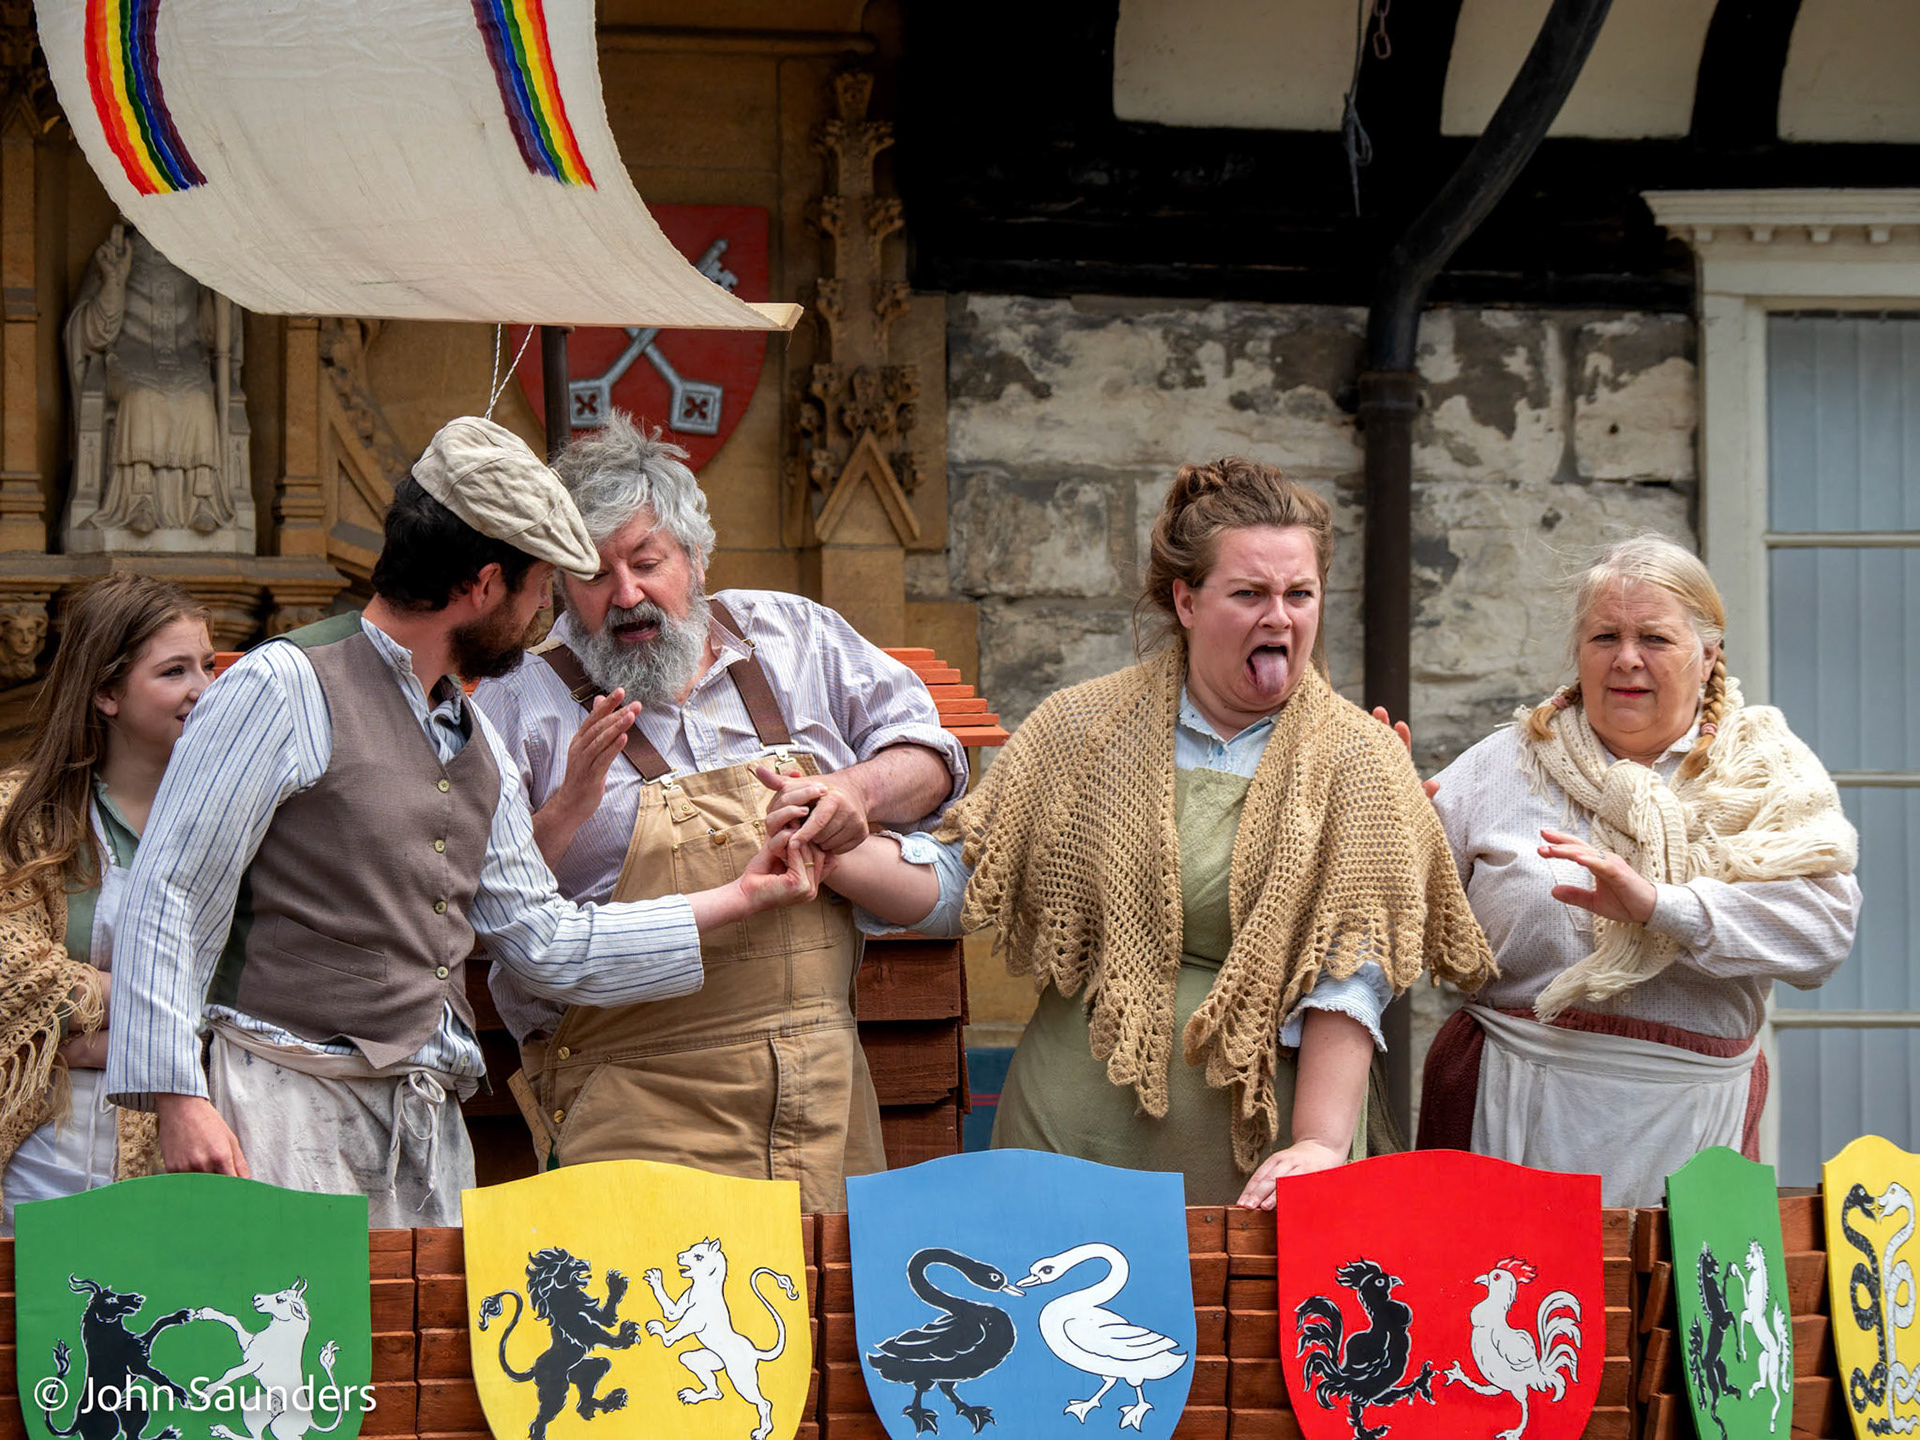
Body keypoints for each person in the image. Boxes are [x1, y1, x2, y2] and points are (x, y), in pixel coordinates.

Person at [104, 417, 824, 1225]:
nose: (545, 612)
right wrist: (177, 1097)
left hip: (424, 1124)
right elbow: (167, 893)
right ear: (484, 585)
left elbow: (544, 942)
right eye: (539, 587)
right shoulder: (282, 686)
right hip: (282, 1107)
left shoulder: (473, 736)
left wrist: (742, 897)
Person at [819, 457, 1495, 1208]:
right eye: (1249, 593)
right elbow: (962, 880)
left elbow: (1350, 975)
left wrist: (1319, 1143)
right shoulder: (1079, 729)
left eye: (1300, 594)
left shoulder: (1360, 762)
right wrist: (839, 851)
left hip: (1262, 1166)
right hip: (1065, 1145)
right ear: (1186, 600)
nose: (1280, 616)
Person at [473, 413, 966, 1213]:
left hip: (820, 1090)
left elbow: (933, 761)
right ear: (559, 585)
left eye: (647, 562)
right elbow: (486, 910)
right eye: (594, 575)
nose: (626, 596)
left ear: (697, 557)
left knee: (826, 1328)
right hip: (630, 1099)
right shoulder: (515, 701)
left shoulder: (795, 635)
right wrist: (570, 805)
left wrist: (856, 793)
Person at [1417, 535, 1861, 1207]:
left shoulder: (1767, 770)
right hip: (1507, 1114)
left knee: (1682, 1311)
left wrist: (1662, 907)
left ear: (1708, 655)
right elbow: (1391, 917)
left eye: (1654, 637)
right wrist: (1384, 819)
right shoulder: (1500, 767)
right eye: (1604, 637)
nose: (1627, 659)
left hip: (1696, 1134)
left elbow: (1822, 936)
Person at [0, 576, 219, 1230]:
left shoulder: (233, 821)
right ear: (105, 693)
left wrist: (82, 1032)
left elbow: (240, 1001)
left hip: (192, 1141)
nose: (202, 688)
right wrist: (165, 1018)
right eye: (174, 671)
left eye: (207, 665)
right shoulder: (21, 814)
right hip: (42, 1148)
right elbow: (15, 981)